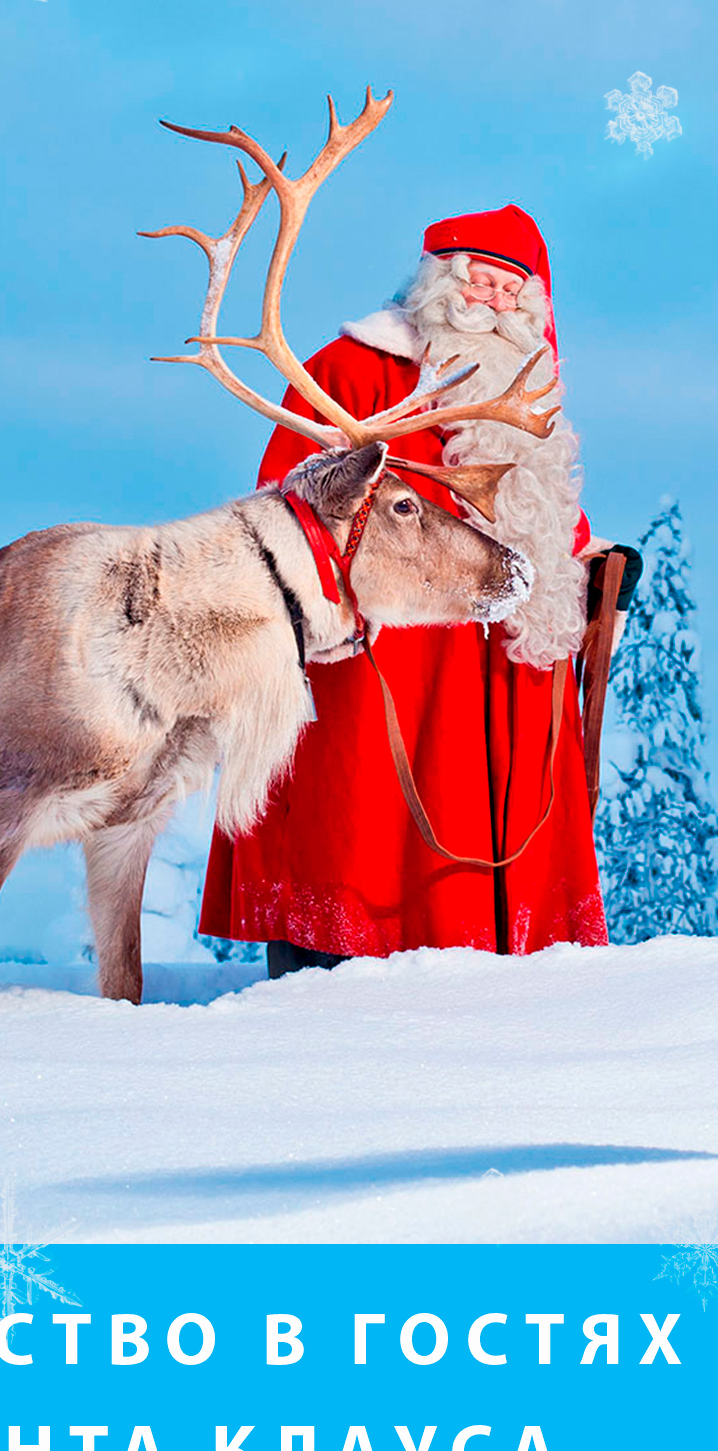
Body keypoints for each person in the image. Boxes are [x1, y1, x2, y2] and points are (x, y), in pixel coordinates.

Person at [199, 205, 611, 974]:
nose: (488, 303)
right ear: (436, 280)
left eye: (508, 292)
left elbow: (541, 502)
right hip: (397, 650)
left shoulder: (529, 387)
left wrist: (587, 556)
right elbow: (287, 498)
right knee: (361, 814)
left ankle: (502, 965)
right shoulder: (356, 370)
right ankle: (338, 965)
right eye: (476, 282)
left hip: (506, 650)